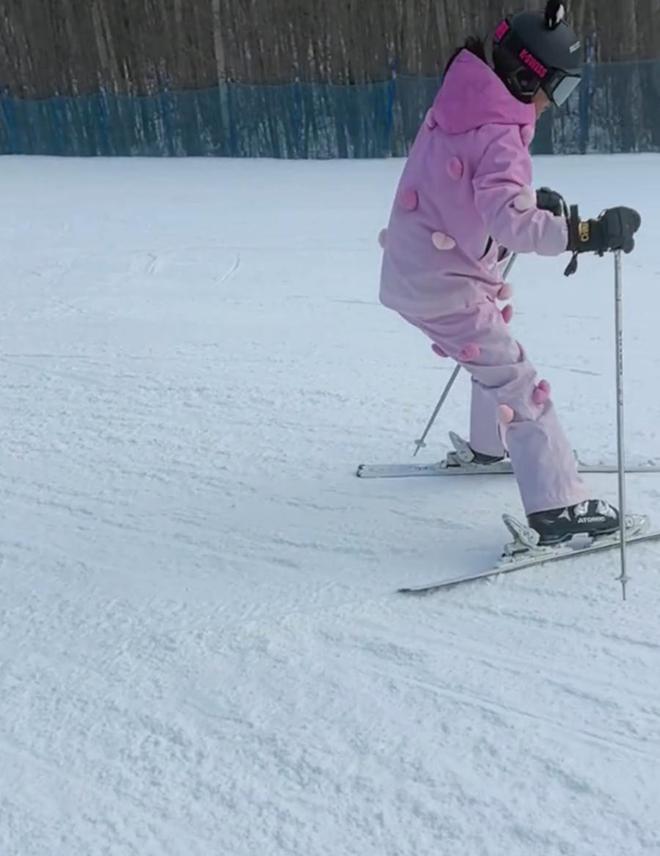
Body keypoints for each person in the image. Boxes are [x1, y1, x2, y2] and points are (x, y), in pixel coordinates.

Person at [378, 1, 641, 546]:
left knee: (492, 352)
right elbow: (515, 226)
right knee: (518, 381)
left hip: (417, 268)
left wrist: (520, 199)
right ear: (525, 77)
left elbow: (467, 191)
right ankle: (557, 509)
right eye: (558, 90)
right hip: (444, 285)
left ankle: (487, 445)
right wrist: (585, 232)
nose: (555, 104)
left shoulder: (458, 102)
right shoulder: (501, 131)